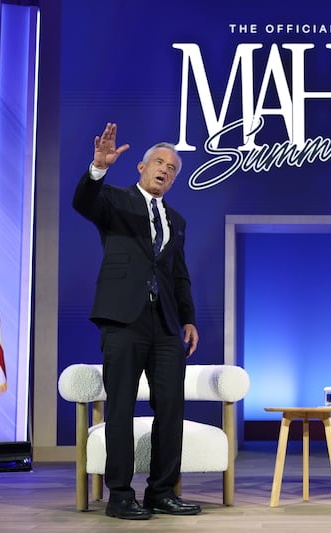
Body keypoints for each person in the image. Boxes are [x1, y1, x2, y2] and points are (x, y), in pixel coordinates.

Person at [72, 122, 201, 520]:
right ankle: (121, 496)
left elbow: (178, 274)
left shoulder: (176, 221)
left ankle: (161, 492)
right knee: (121, 407)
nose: (165, 169)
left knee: (170, 408)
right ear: (142, 167)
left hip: (164, 325)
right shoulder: (114, 201)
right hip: (122, 320)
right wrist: (98, 167)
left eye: (173, 168)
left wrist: (189, 319)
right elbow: (83, 202)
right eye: (159, 162)